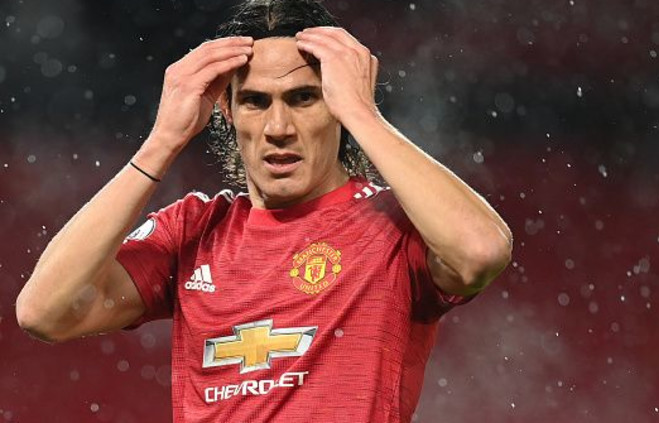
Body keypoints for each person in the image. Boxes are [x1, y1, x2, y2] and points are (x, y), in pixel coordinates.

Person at [16, 0, 513, 421]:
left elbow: (481, 251)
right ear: (228, 111)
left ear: (336, 103)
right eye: (255, 101)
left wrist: (363, 114)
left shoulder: (393, 224)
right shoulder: (194, 230)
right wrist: (161, 142)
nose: (278, 128)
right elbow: (45, 312)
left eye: (303, 98)